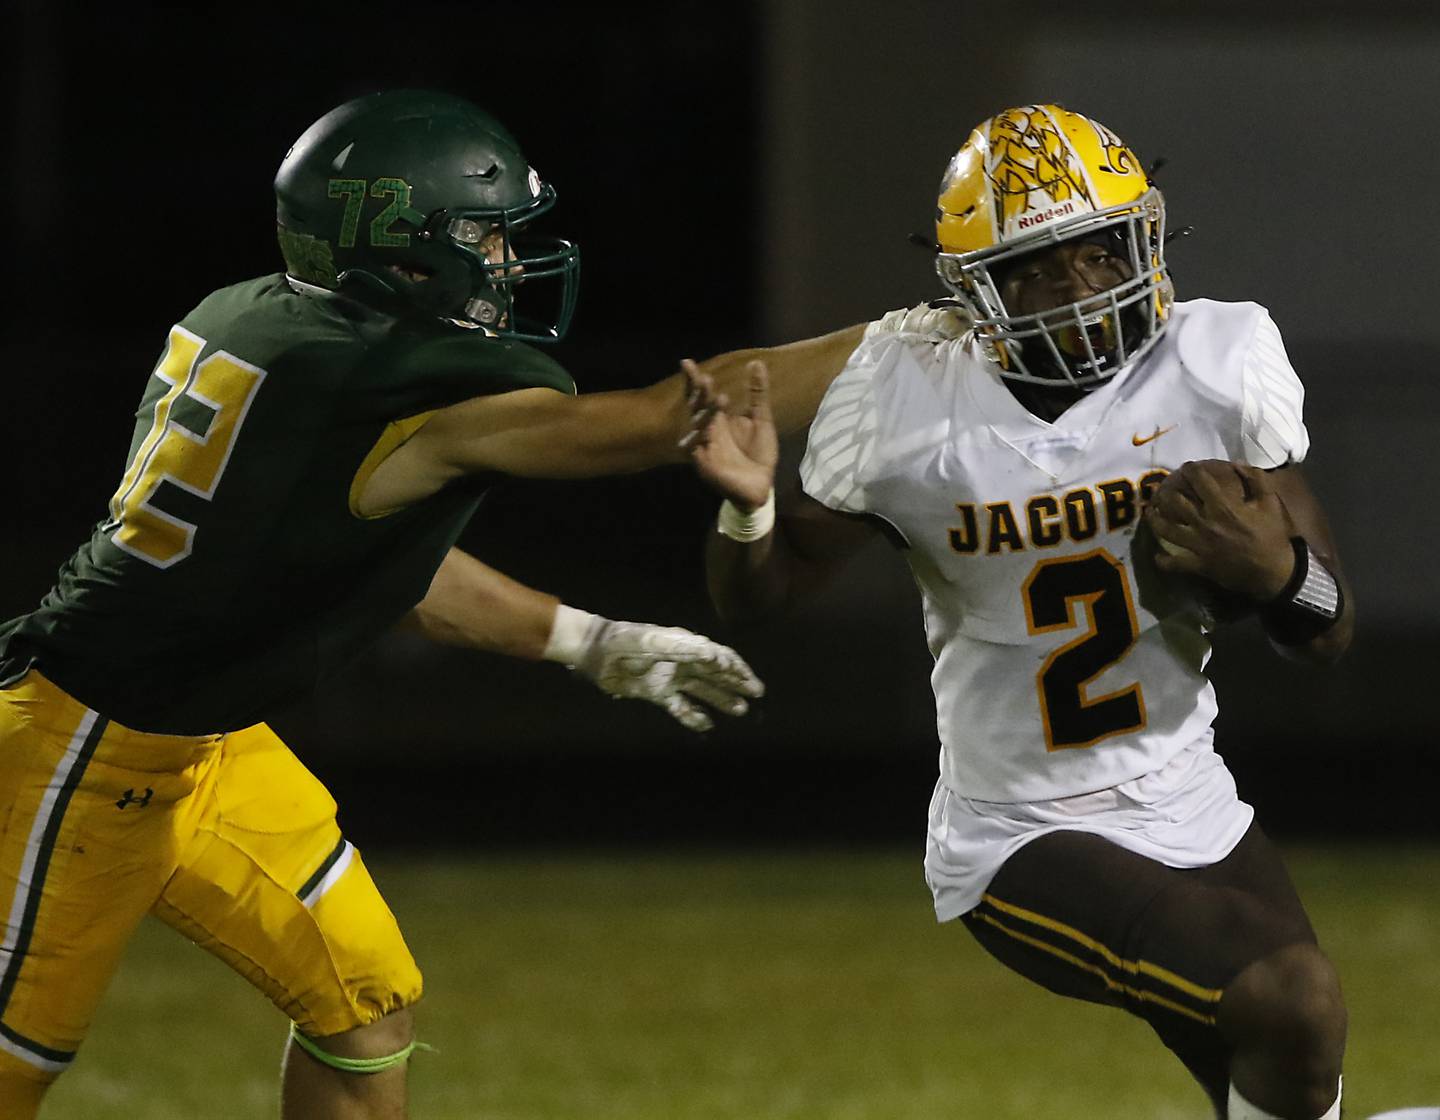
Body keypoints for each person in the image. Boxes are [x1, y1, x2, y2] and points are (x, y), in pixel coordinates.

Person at [0, 88, 882, 1120]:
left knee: (364, 1006)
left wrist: (591, 642)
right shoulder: (389, 383)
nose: (507, 262)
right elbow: (661, 415)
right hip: (70, 754)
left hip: (204, 744)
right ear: (401, 250)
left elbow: (386, 567)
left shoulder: (254, 321)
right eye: (483, 236)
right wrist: (902, 341)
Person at [686, 104, 1353, 1120]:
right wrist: (748, 507)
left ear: (1143, 236)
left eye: (1095, 251)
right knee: (1293, 999)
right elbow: (763, 596)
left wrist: (1279, 571)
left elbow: (1329, 626)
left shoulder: (1212, 362)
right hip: (1024, 831)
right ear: (976, 290)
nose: (1080, 288)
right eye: (1039, 267)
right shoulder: (909, 403)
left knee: (1295, 1072)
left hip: (1191, 797)